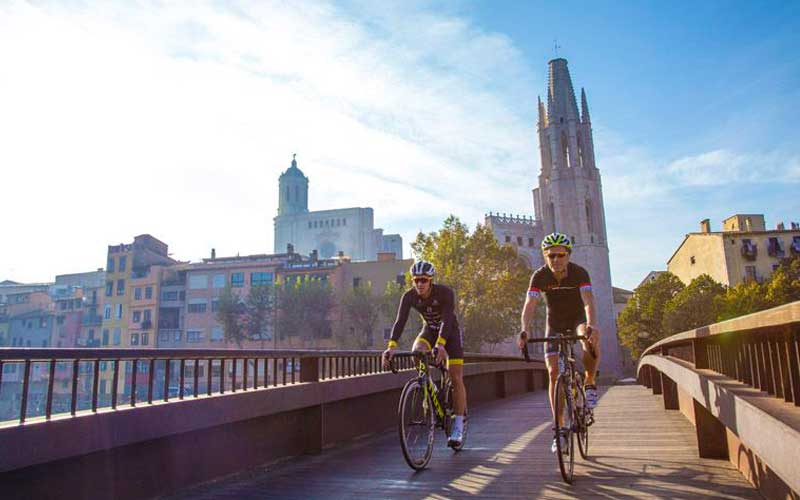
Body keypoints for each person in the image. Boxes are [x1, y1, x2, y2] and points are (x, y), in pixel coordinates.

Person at [518, 232, 601, 453]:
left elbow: (588, 301)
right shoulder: (539, 276)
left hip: (577, 320)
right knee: (554, 373)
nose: (556, 260)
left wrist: (591, 324)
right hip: (554, 324)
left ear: (568, 255)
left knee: (588, 337)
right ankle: (560, 430)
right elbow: (530, 304)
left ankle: (590, 380)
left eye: (560, 256)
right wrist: (524, 329)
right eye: (551, 256)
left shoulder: (579, 273)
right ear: (545, 256)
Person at [382, 260, 467, 448]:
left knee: (456, 376)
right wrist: (391, 346)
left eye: (423, 280)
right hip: (429, 330)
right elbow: (400, 321)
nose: (419, 284)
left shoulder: (444, 293)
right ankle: (429, 387)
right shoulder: (409, 297)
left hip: (450, 333)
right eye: (416, 280)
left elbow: (446, 320)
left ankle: (459, 426)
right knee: (416, 351)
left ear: (430, 280)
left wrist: (441, 344)